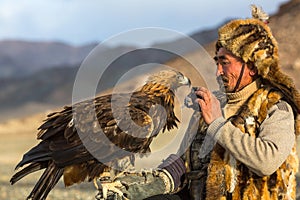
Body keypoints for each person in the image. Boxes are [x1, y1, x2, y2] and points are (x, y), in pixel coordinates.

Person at [97, 5, 300, 200]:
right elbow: (184, 164)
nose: (218, 71)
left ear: (252, 67)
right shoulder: (211, 104)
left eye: (225, 63)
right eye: (217, 62)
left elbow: (266, 161)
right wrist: (141, 188)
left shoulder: (276, 108)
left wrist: (217, 123)